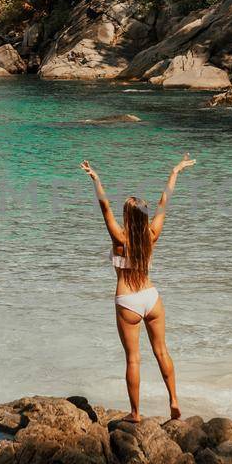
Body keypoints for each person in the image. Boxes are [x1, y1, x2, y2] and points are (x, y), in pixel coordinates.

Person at [79, 154, 196, 423]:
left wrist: (96, 179)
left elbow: (104, 207)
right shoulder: (152, 234)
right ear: (143, 215)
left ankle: (135, 413)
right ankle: (174, 401)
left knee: (133, 359)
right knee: (162, 351)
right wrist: (175, 171)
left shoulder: (119, 237)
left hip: (128, 301)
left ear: (127, 216)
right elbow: (164, 201)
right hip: (151, 297)